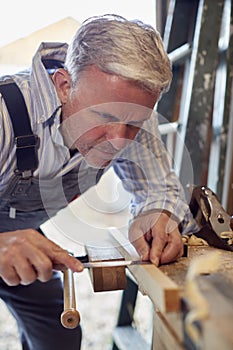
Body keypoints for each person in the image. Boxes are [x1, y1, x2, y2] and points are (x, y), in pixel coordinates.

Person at [0, 14, 199, 350]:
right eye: (104, 119)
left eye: (133, 124)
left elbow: (158, 189)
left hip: (21, 236)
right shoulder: (5, 115)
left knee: (58, 332)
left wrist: (159, 215)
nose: (119, 142)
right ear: (64, 85)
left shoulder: (126, 110)